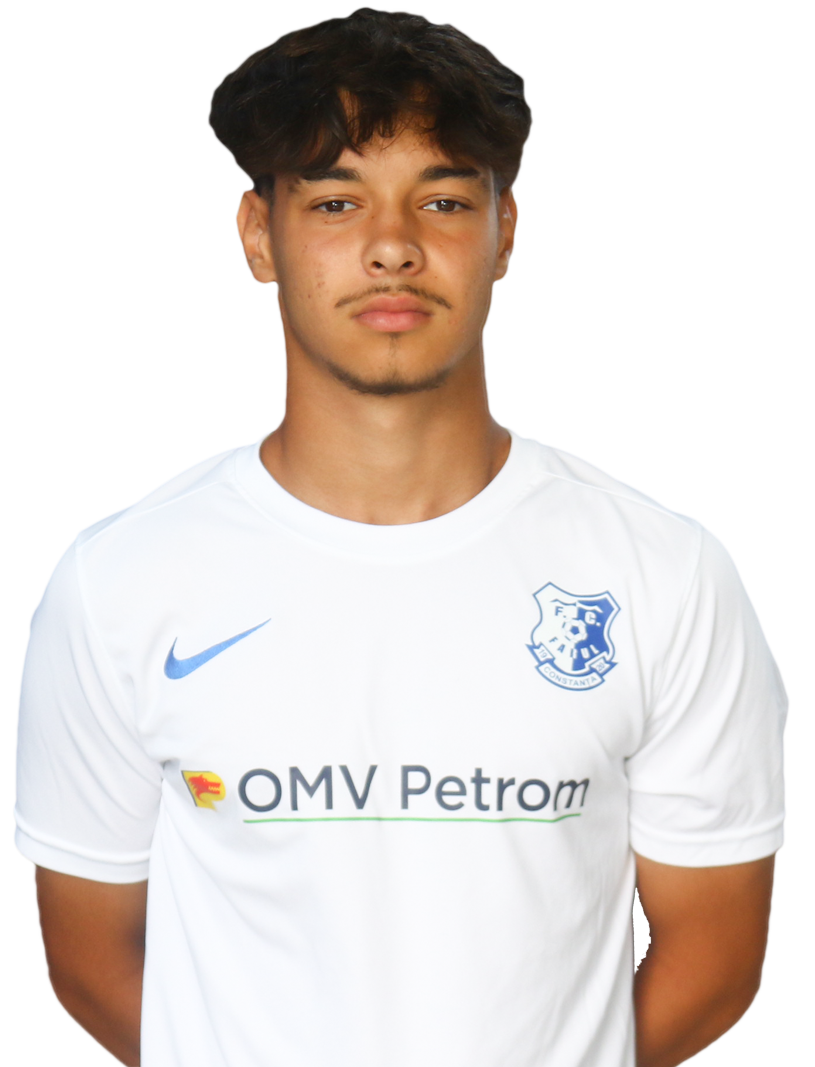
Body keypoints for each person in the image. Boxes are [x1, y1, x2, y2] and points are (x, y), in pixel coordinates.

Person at [14, 8, 788, 1067]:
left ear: (503, 233)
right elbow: (90, 956)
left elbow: (712, 959)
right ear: (258, 234)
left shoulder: (665, 577)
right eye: (336, 201)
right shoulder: (119, 583)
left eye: (443, 200)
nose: (392, 246)